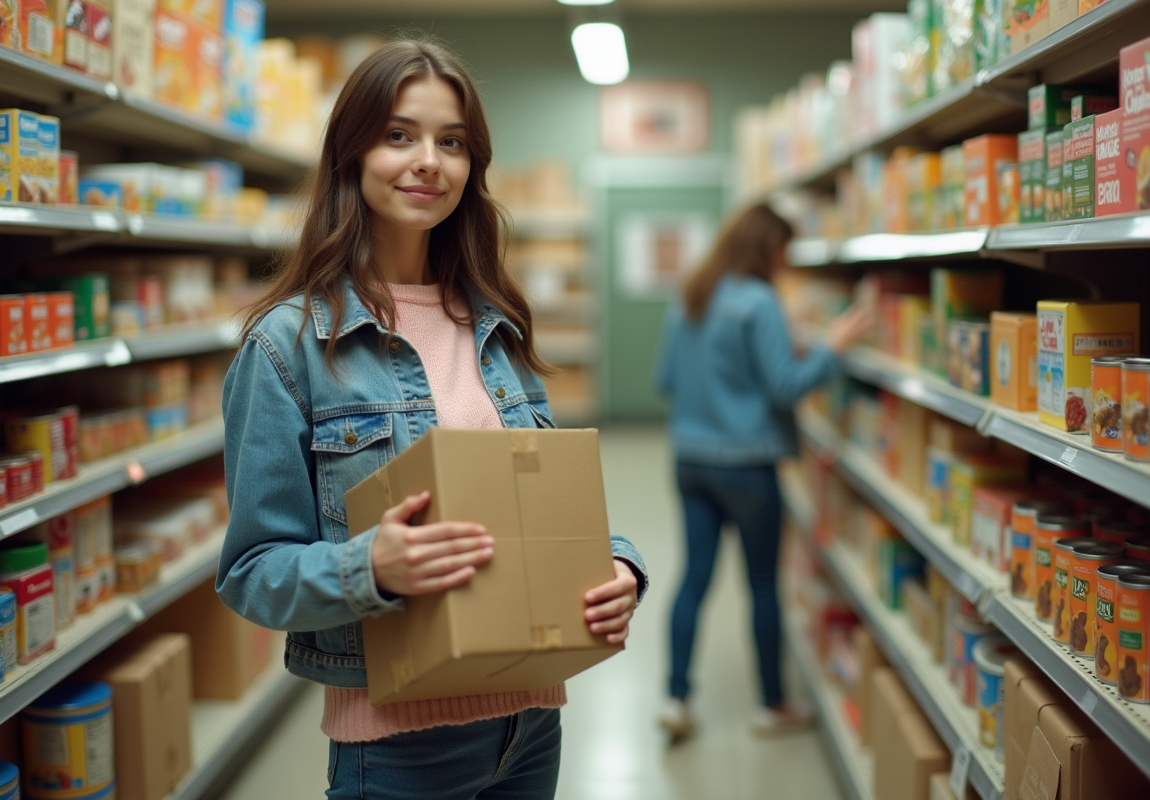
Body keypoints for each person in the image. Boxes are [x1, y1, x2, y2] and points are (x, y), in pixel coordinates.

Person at [217, 38, 648, 800]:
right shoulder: (288, 345)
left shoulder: (495, 326)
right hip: (398, 750)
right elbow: (253, 573)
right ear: (350, 152)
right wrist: (370, 567)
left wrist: (617, 567)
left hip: (531, 727)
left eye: (452, 142)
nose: (429, 162)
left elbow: (550, 509)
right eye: (398, 135)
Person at [655, 202, 871, 741]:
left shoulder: (691, 294)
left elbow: (666, 378)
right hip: (747, 466)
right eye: (785, 251)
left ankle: (676, 699)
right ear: (769, 248)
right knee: (761, 584)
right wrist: (833, 349)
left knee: (693, 578)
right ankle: (772, 705)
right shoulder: (758, 301)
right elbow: (786, 386)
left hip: (689, 459)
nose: (787, 262)